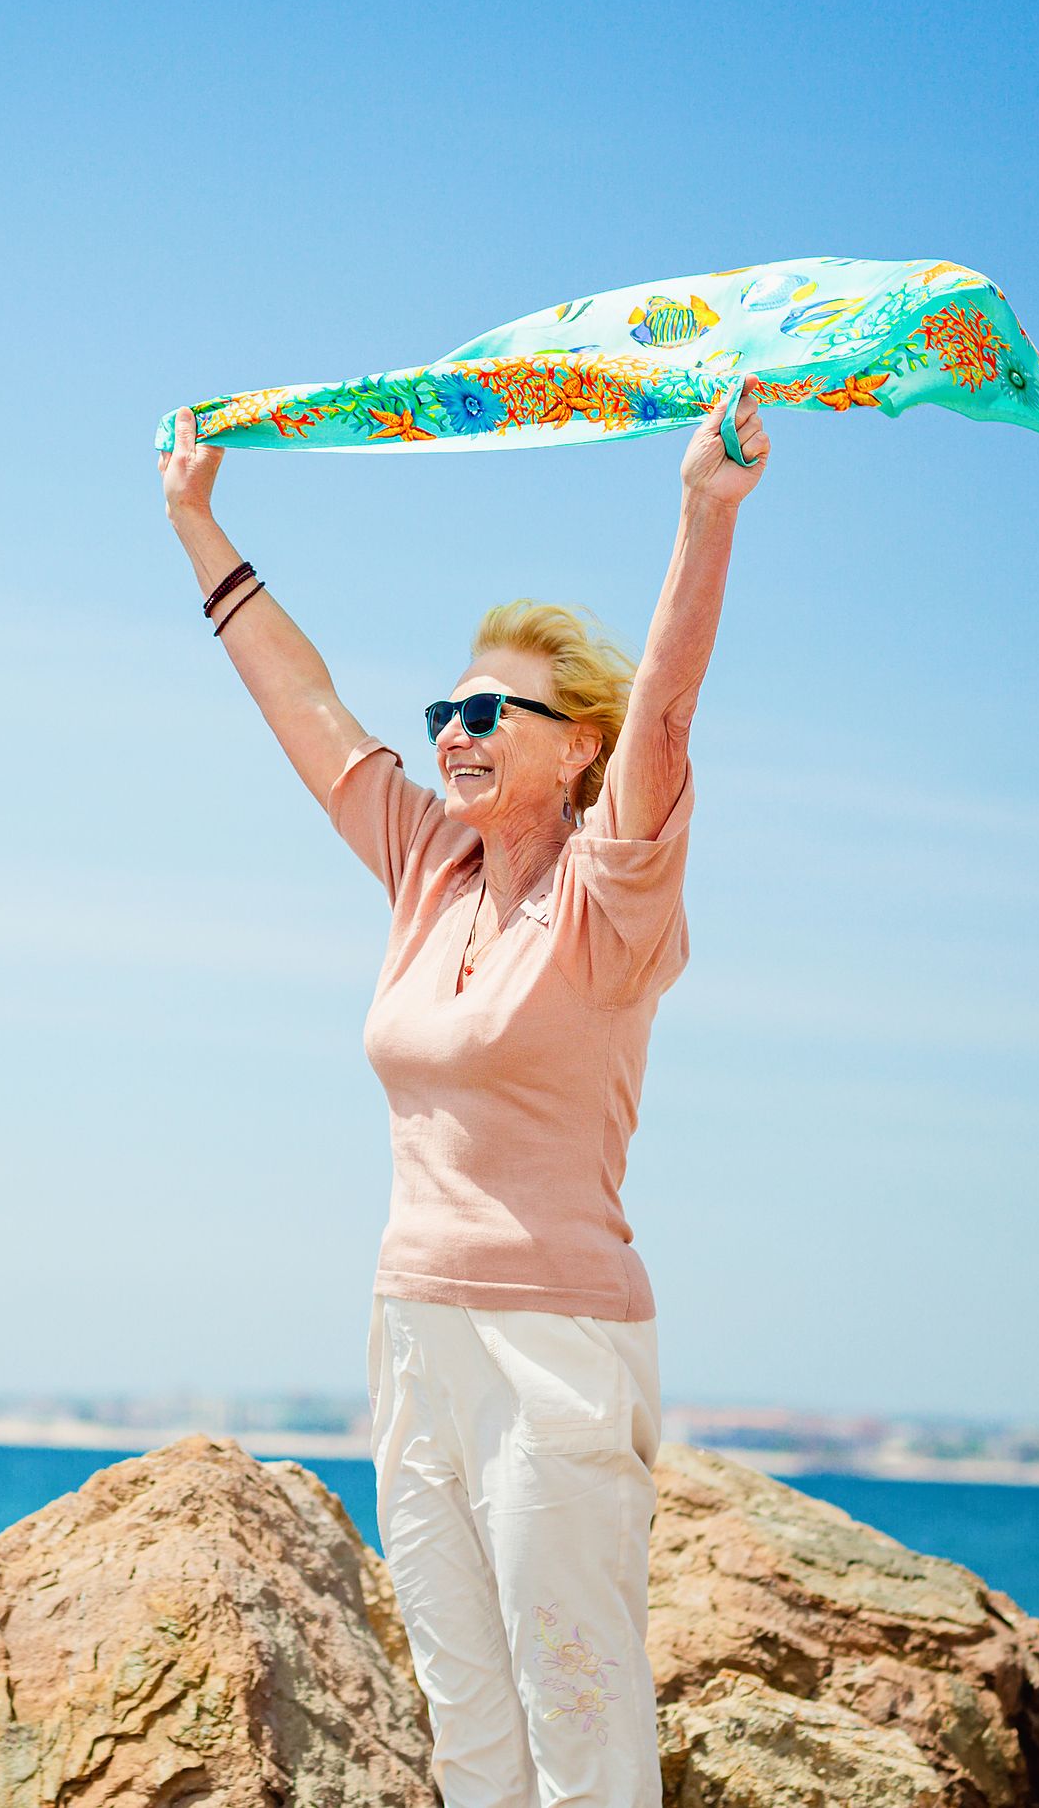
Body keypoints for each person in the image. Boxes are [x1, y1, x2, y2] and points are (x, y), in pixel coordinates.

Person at [157, 383, 768, 1808]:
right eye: (449, 705)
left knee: (578, 1692)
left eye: (497, 710)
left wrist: (704, 509)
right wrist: (199, 521)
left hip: (555, 1339)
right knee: (463, 1702)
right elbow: (303, 708)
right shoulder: (428, 869)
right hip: (414, 1329)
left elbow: (669, 703)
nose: (458, 726)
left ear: (578, 749)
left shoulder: (611, 901)